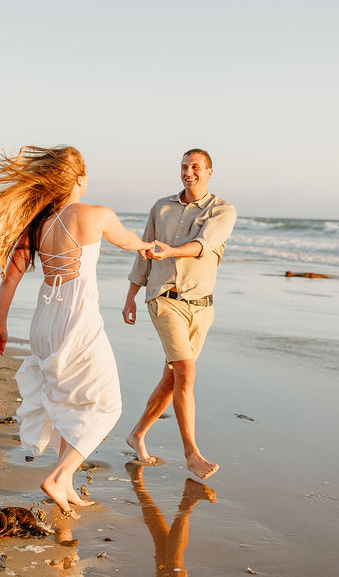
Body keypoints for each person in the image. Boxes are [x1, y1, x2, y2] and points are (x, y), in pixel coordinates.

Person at [0, 145, 155, 516]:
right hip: (77, 318)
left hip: (43, 320)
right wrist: (153, 248)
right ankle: (59, 476)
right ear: (80, 179)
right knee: (106, 403)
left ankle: (65, 482)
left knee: (61, 399)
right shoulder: (96, 214)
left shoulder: (34, 224)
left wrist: (0, 325)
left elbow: (9, 280)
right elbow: (132, 243)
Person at [122, 148, 236, 480]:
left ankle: (136, 434)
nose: (189, 172)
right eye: (184, 167)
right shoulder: (162, 207)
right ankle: (192, 454)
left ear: (210, 172)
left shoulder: (223, 211)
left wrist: (172, 250)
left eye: (196, 167)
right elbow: (144, 253)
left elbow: (204, 244)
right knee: (186, 373)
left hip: (202, 307)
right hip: (164, 299)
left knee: (172, 379)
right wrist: (131, 296)